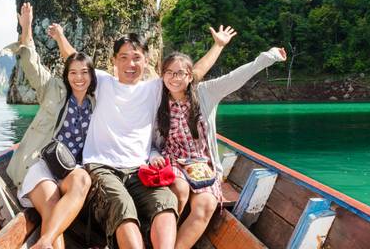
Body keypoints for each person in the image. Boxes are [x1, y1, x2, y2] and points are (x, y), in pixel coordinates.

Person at [52, 26, 237, 249]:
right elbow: (74, 60)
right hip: (102, 166)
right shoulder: (101, 82)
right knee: (122, 206)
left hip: (141, 170)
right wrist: (61, 37)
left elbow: (192, 74)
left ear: (146, 60)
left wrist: (217, 46)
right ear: (114, 60)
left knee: (167, 202)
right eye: (124, 58)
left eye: (136, 58)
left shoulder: (155, 88)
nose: (131, 64)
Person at [149, 46, 287, 249]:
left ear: (190, 76)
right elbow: (149, 141)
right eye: (168, 72)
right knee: (179, 190)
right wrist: (153, 154)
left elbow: (236, 77)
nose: (174, 77)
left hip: (202, 165)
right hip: (172, 159)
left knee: (206, 205)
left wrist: (268, 57)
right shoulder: (156, 99)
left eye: (180, 73)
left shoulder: (205, 93)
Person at [5, 3, 96, 249]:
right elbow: (31, 63)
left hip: (70, 167)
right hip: (40, 163)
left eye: (84, 72)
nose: (78, 77)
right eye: (73, 72)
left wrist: (61, 37)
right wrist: (26, 29)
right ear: (66, 74)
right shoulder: (52, 89)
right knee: (53, 207)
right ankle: (46, 243)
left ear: (92, 76)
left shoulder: (96, 102)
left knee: (83, 181)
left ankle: (43, 243)